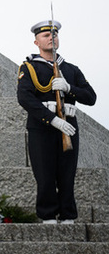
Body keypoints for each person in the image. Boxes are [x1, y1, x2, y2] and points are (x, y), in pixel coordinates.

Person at [16, 20, 96, 224]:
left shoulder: (71, 69)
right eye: (46, 35)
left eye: (54, 34)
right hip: (42, 128)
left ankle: (68, 214)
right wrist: (51, 119)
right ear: (36, 42)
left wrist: (70, 88)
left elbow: (91, 97)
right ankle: (48, 215)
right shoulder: (30, 68)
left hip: (68, 126)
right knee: (44, 173)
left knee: (67, 173)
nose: (52, 37)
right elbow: (25, 98)